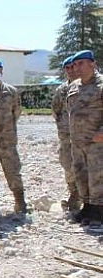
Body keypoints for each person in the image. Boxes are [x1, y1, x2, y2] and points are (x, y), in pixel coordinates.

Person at [0, 59, 26, 216]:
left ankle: (20, 201)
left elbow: (16, 113)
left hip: (7, 140)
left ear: (2, 72)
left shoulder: (11, 91)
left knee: (13, 170)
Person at [66, 50, 103, 227]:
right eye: (75, 65)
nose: (77, 68)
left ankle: (99, 209)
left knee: (98, 175)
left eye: (81, 63)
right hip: (78, 141)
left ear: (92, 64)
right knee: (80, 173)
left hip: (97, 141)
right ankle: (87, 205)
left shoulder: (101, 85)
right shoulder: (74, 87)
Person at [51, 55, 80, 212]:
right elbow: (55, 110)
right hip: (66, 137)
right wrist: (63, 126)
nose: (70, 70)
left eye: (72, 67)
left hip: (85, 137)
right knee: (67, 164)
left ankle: (90, 200)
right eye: (66, 68)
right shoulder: (61, 90)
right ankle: (74, 194)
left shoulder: (85, 86)